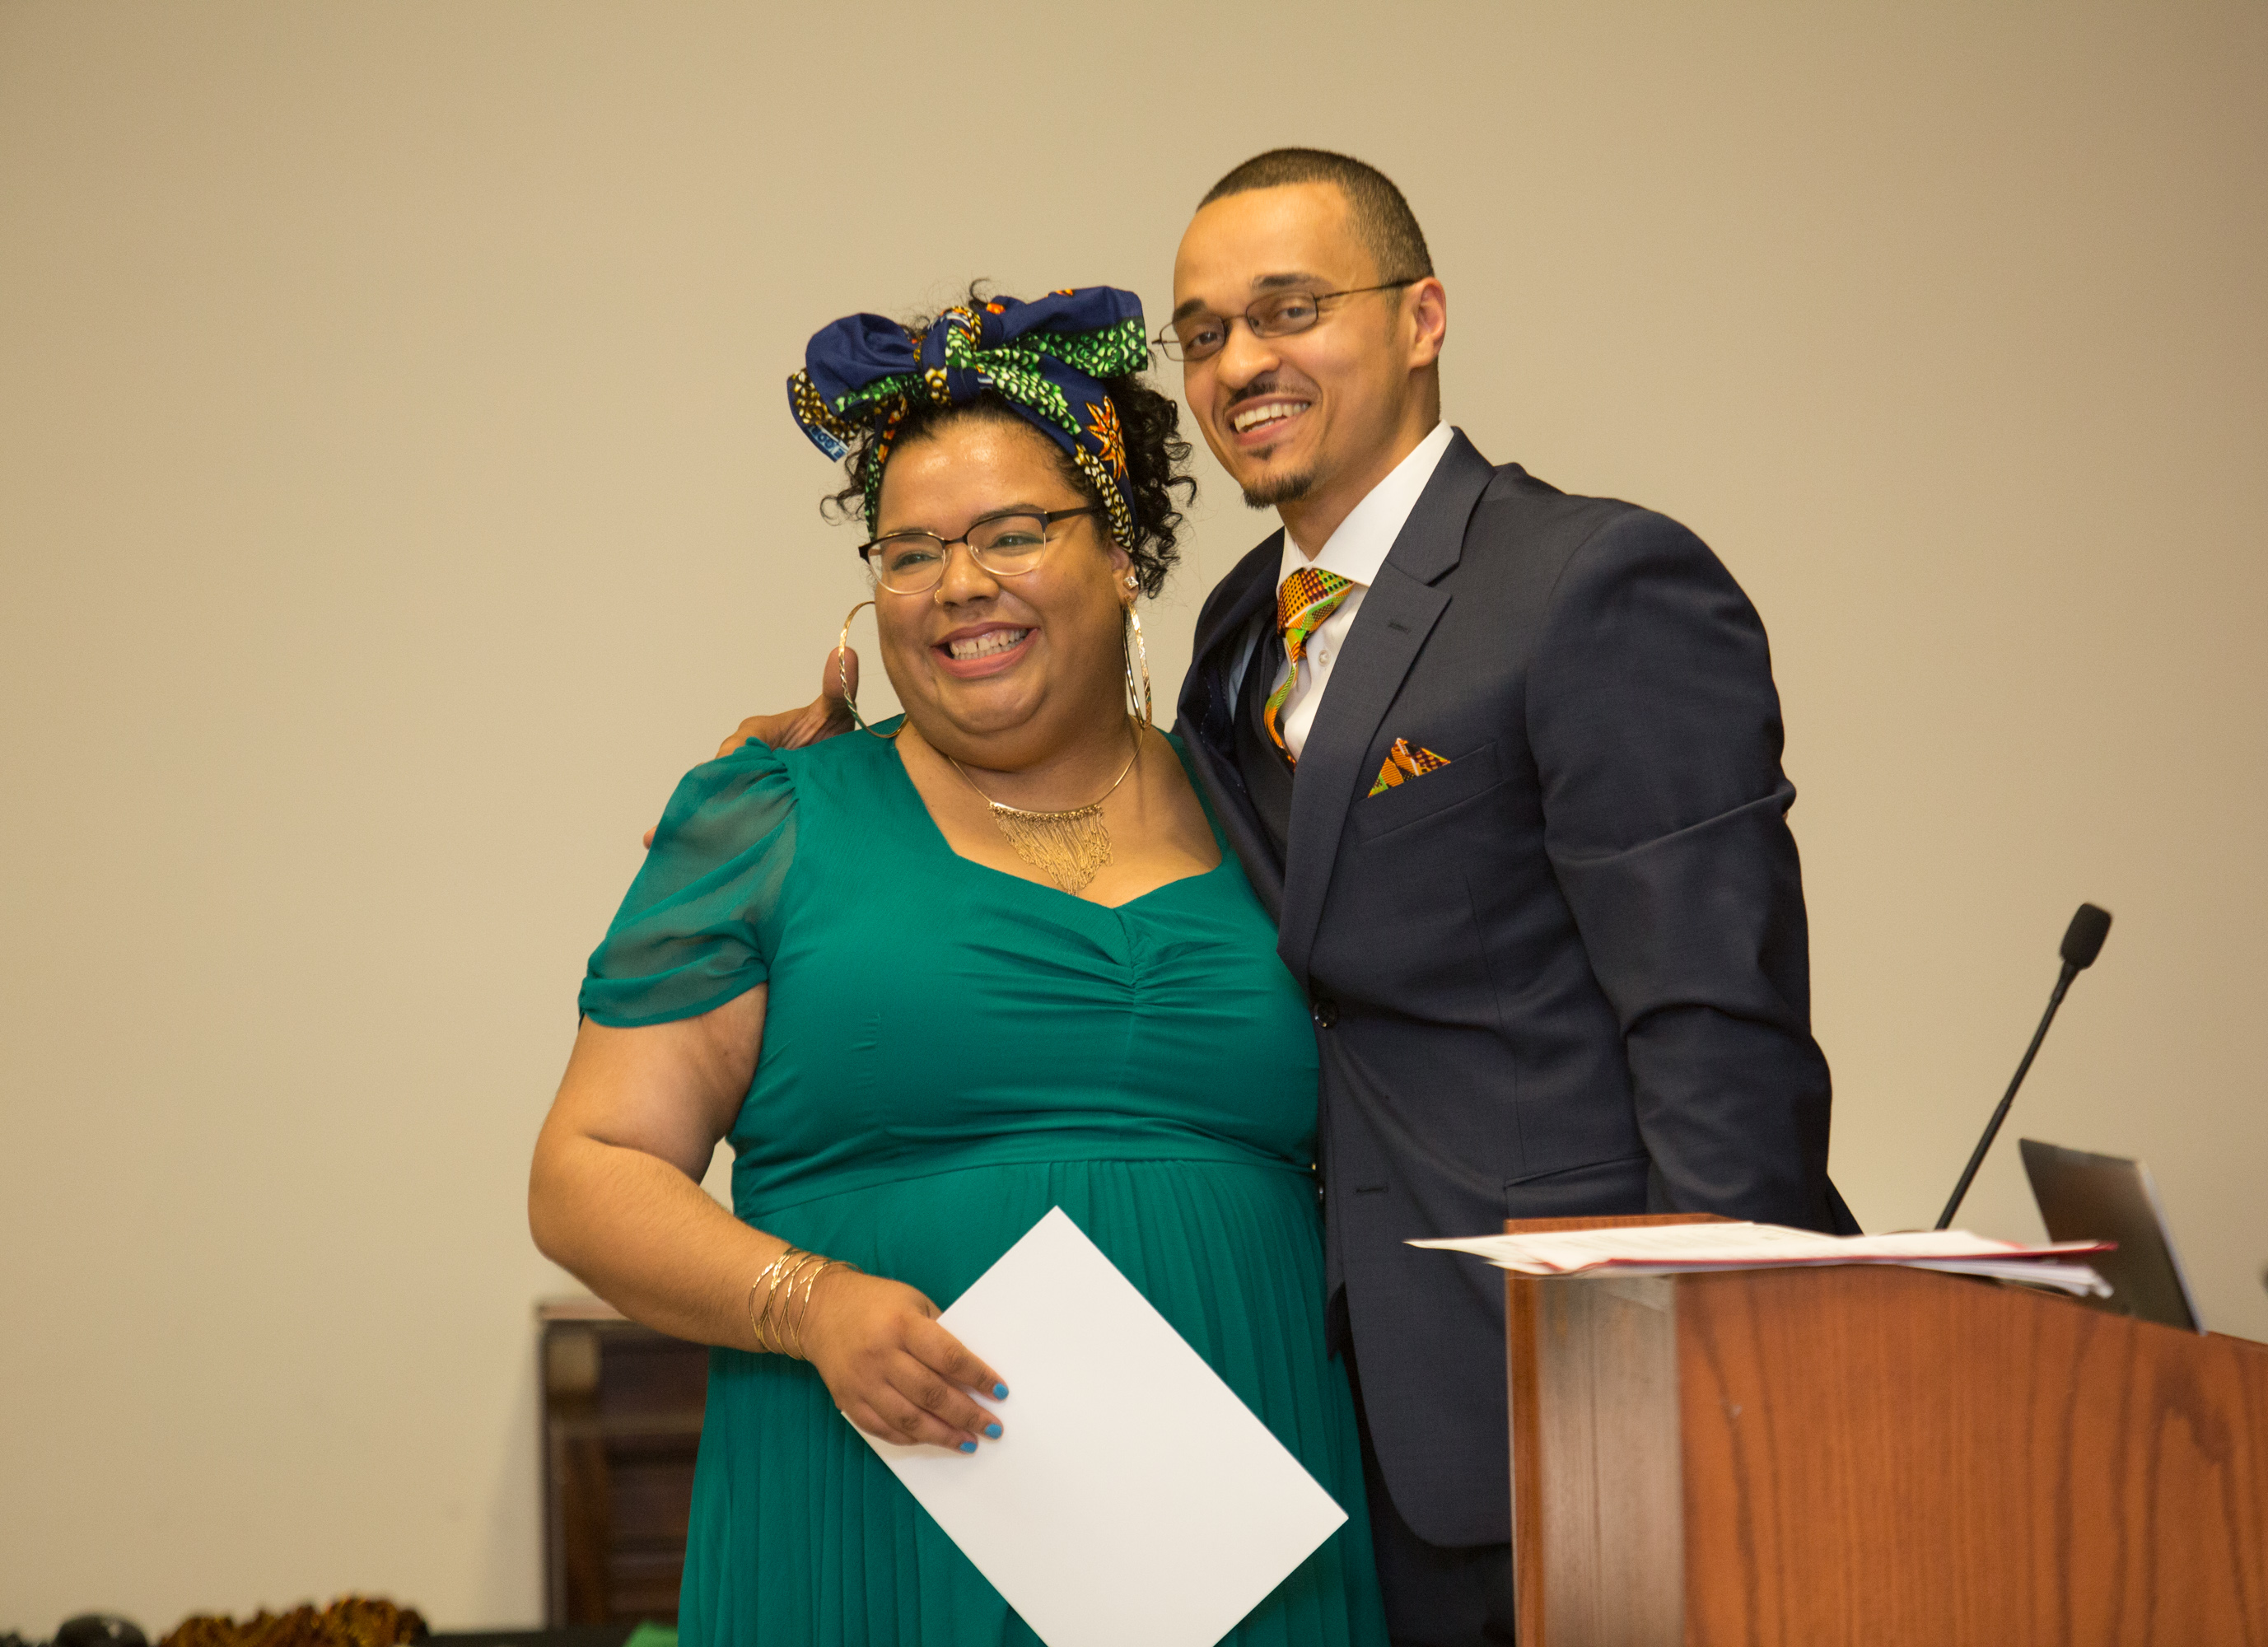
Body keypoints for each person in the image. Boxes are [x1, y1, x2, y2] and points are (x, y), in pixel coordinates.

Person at [725, 151, 1858, 1647]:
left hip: (1591, 1399)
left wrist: (1735, 1402)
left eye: (1290, 310)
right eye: (1203, 333)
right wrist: (858, 776)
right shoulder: (1239, 633)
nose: (1242, 361)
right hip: (1339, 1408)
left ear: (1422, 317)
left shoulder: (1592, 582)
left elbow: (1717, 1027)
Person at [534, 287, 1388, 1646]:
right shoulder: (769, 817)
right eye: (911, 550)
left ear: (1121, 554)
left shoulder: (1270, 809)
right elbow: (585, 1175)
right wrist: (805, 1304)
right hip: (873, 1499)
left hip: (1242, 1514)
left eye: (1011, 534)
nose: (959, 585)